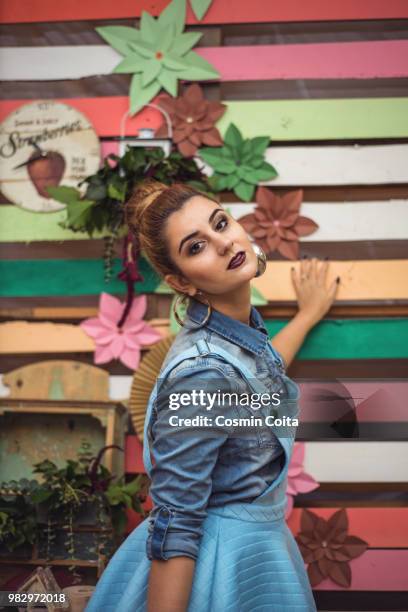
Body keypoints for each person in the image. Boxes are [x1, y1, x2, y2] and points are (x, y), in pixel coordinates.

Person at [85, 179, 340, 612]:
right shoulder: (203, 372)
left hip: (251, 548)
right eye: (196, 247)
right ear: (180, 281)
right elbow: (178, 520)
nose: (223, 243)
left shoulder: (234, 340)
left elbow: (251, 380)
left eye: (220, 223)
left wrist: (308, 315)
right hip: (218, 563)